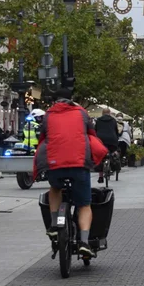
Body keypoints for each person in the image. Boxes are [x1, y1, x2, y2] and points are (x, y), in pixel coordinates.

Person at [37, 87, 101, 260]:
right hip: (79, 164)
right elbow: (92, 134)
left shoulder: (48, 115)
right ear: (71, 99)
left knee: (55, 189)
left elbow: (42, 137)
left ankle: (53, 225)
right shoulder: (82, 113)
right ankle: (85, 243)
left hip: (55, 163)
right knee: (84, 205)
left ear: (54, 100)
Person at [93, 107, 122, 183]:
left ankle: (100, 176)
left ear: (102, 113)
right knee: (114, 151)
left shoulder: (98, 120)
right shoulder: (113, 120)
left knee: (100, 156)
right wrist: (116, 138)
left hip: (100, 139)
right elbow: (116, 131)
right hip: (112, 139)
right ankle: (113, 165)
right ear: (109, 113)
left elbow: (95, 130)